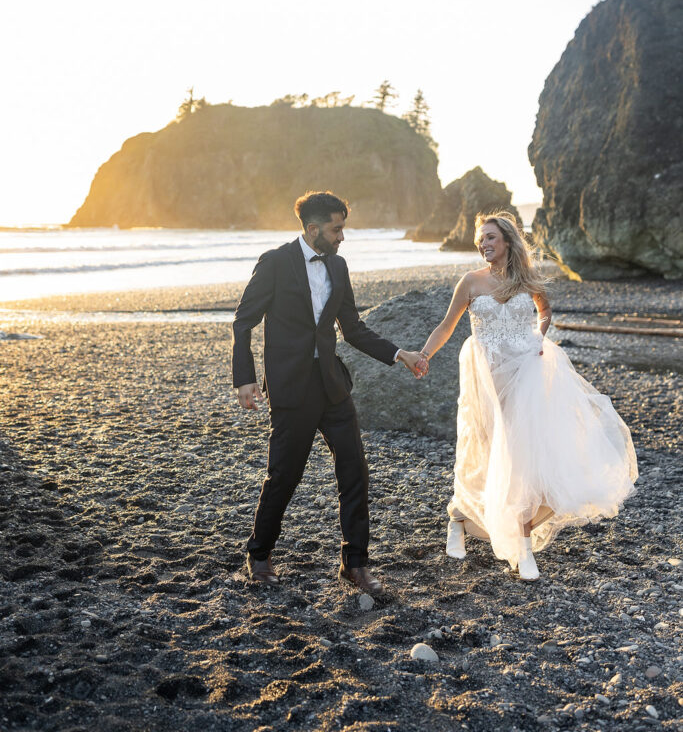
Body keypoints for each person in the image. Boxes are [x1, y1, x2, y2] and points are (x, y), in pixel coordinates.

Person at [416, 211, 638, 580]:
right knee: (484, 453)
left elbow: (544, 311)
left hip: (526, 375)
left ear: (507, 240)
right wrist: (423, 356)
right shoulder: (470, 282)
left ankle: (522, 546)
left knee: (525, 459)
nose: (483, 245)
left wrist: (539, 338)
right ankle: (457, 519)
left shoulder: (528, 279)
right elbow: (446, 325)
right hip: (485, 377)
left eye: (490, 238)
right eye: (480, 240)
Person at [232, 190, 426, 593]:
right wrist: (245, 377)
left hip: (333, 387)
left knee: (355, 471)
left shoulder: (338, 266)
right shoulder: (275, 262)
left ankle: (355, 564)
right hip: (290, 389)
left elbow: (352, 329)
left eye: (343, 228)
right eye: (337, 229)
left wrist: (398, 354)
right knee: (284, 477)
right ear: (313, 228)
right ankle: (260, 555)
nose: (342, 237)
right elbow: (243, 321)